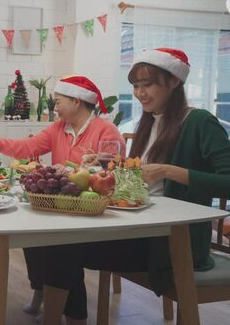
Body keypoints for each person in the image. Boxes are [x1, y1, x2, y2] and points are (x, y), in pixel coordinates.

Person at [40, 48, 230, 325]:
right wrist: (106, 165)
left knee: (61, 247)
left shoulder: (200, 122)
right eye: (136, 85)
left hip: (174, 242)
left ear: (175, 81)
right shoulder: (149, 121)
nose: (140, 93)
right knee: (56, 240)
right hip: (141, 227)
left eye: (148, 84)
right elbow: (140, 180)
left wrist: (168, 171)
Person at [0, 75, 125, 318]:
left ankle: (63, 309)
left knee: (61, 246)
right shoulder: (58, 129)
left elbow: (113, 171)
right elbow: (28, 147)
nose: (54, 108)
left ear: (76, 101)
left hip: (91, 212)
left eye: (58, 102)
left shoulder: (106, 130)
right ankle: (41, 291)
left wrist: (85, 170)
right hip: (61, 205)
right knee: (32, 232)